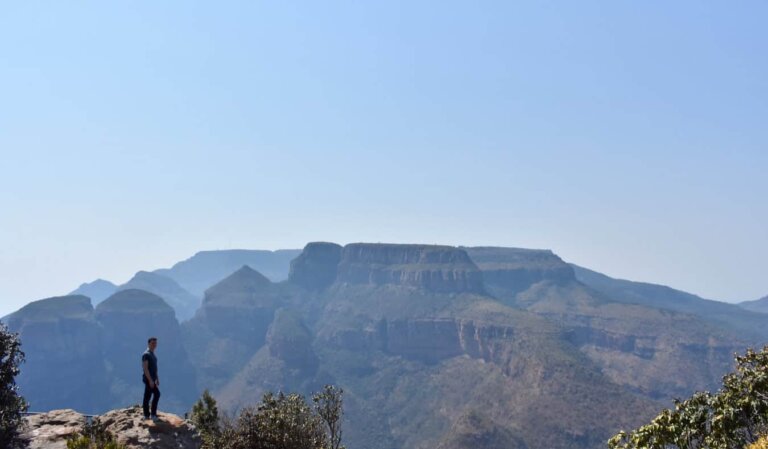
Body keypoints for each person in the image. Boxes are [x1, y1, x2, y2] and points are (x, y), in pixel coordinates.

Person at [141, 337, 161, 421]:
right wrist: (150, 380)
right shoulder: (146, 354)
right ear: (148, 343)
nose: (154, 345)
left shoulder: (153, 355)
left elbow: (154, 368)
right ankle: (152, 415)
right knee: (156, 394)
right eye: (153, 343)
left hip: (152, 379)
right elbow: (145, 368)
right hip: (148, 379)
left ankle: (147, 415)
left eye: (155, 343)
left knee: (147, 396)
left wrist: (157, 378)